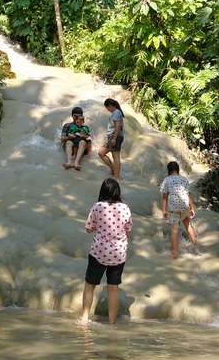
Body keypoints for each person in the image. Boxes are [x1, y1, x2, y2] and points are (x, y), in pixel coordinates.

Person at [77, 178, 132, 326]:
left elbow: (88, 229)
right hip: (118, 253)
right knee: (113, 290)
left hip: (99, 251)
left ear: (103, 191)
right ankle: (112, 323)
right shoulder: (125, 208)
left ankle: (84, 320)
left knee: (90, 285)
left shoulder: (97, 207)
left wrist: (98, 228)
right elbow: (128, 231)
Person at [160, 161, 198, 258]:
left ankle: (175, 253)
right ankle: (195, 242)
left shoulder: (166, 180)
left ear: (168, 170)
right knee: (186, 221)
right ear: (178, 169)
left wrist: (164, 211)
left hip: (173, 206)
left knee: (174, 230)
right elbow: (188, 194)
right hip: (184, 204)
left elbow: (165, 196)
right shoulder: (184, 179)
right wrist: (192, 208)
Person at [97, 98, 124, 180]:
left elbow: (118, 125)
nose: (108, 110)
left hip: (115, 137)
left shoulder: (116, 112)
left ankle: (116, 177)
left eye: (107, 108)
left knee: (116, 157)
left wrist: (114, 138)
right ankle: (113, 170)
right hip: (111, 137)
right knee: (101, 153)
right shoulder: (117, 112)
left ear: (110, 106)